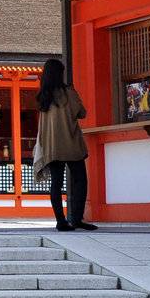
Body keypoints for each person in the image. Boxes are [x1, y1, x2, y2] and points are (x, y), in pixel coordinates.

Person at [35, 57, 95, 232]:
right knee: (80, 180)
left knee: (56, 183)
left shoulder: (43, 97)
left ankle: (60, 221)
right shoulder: (69, 93)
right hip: (71, 143)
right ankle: (76, 218)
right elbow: (81, 113)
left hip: (52, 146)